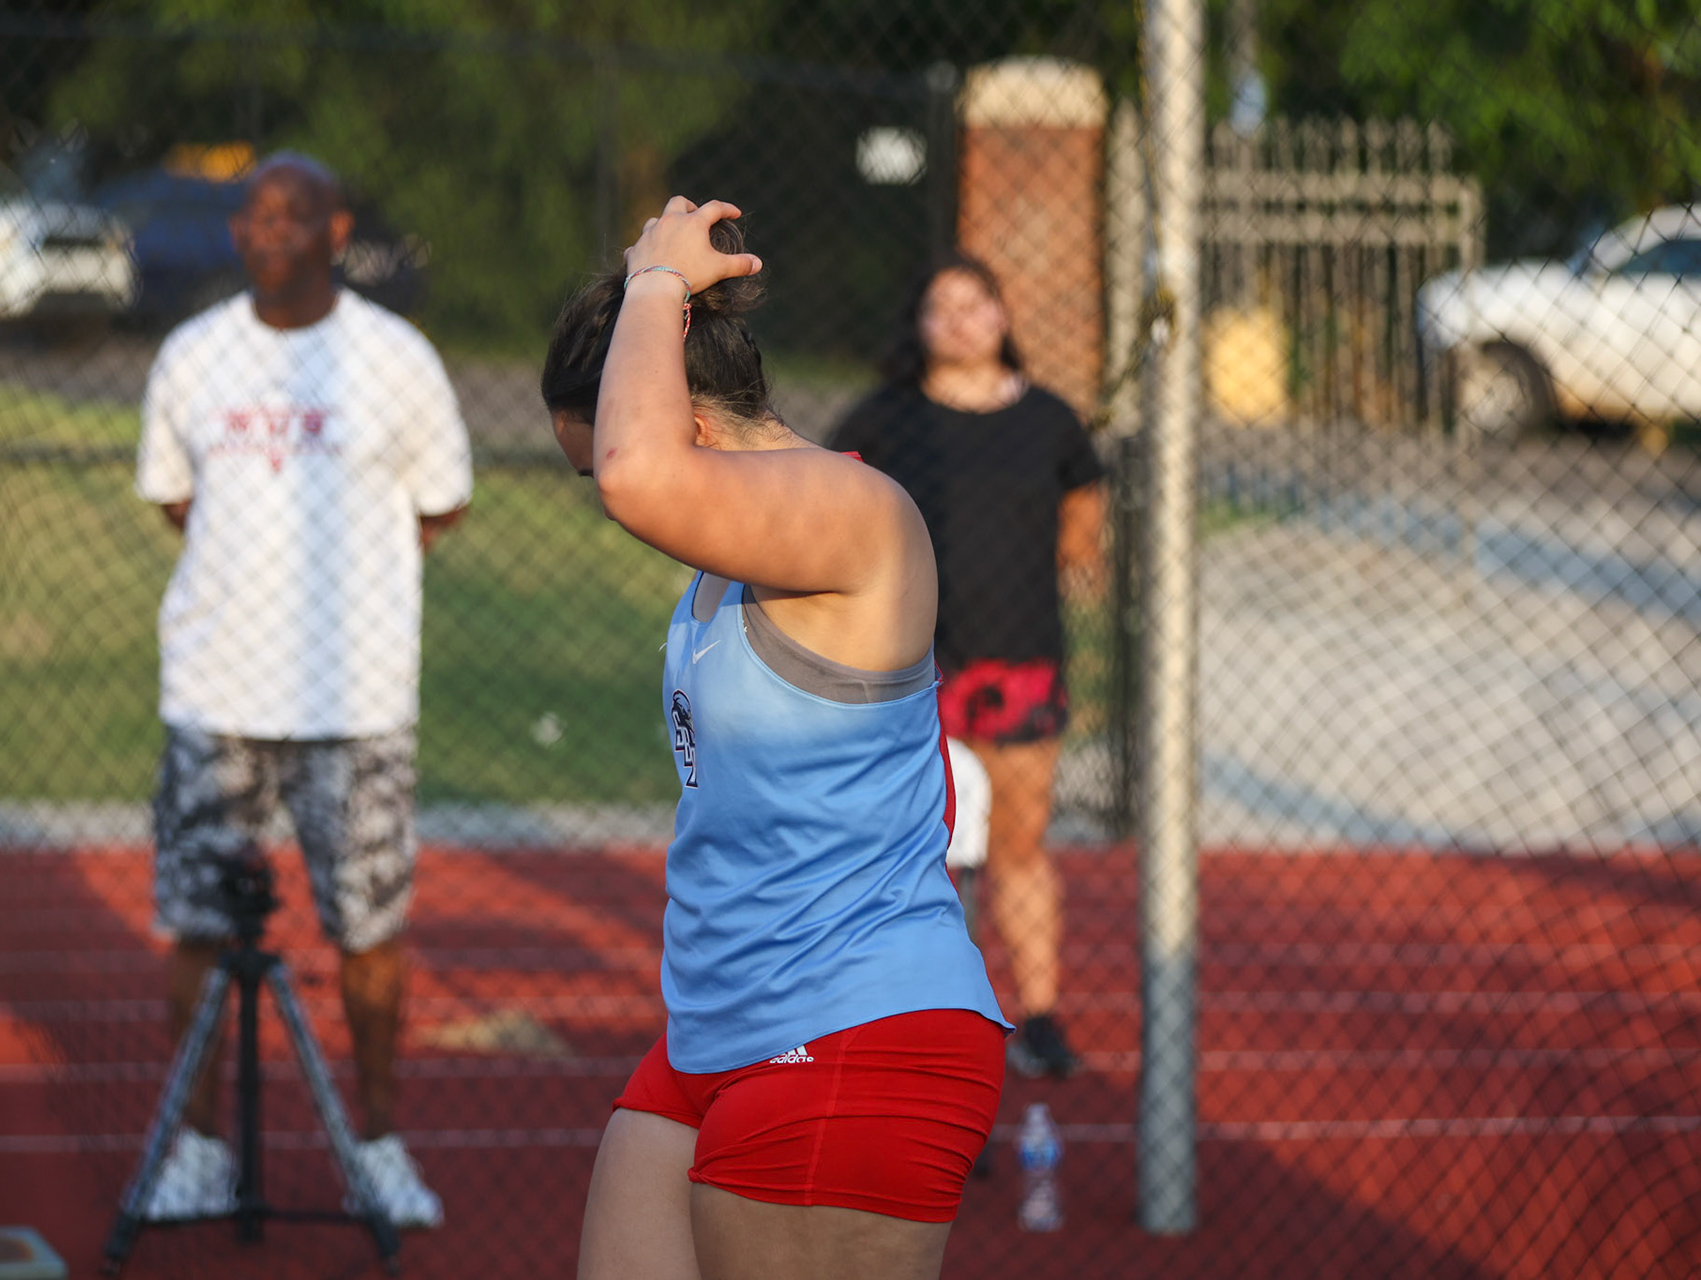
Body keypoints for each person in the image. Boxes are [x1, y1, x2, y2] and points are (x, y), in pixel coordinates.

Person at [543, 198, 1009, 1280]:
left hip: (855, 1025)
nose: (603, 493)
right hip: (721, 1020)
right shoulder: (725, 563)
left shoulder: (854, 511)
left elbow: (635, 474)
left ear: (691, 427)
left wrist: (655, 284)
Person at [132, 154, 474, 1226]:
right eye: (254, 213)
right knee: (197, 925)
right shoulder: (194, 354)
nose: (269, 228)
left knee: (368, 932)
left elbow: (439, 502)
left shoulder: (395, 356)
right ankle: (195, 1147)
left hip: (357, 701)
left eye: (295, 213)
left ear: (337, 228)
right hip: (218, 691)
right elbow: (175, 495)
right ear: (237, 233)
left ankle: (373, 1141)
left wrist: (344, 579)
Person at [832, 254, 1108, 1080]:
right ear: (917, 325)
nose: (958, 320)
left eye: (974, 304)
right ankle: (944, 1019)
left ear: (1001, 316)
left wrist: (1077, 550)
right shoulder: (884, 419)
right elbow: (835, 500)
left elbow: (1084, 495)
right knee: (930, 855)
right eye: (939, 306)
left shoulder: (1050, 419)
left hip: (1020, 661)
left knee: (1020, 846)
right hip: (913, 672)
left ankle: (1042, 1015)